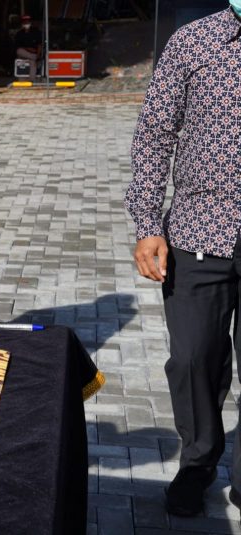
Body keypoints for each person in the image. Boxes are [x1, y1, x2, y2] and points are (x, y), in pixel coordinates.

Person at [126, 5, 241, 518]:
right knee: (193, 358)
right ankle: (197, 463)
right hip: (201, 226)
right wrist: (148, 223)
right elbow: (155, 133)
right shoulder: (193, 42)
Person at [15, 15, 42, 80]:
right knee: (19, 51)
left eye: (27, 22)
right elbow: (18, 47)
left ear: (30, 23)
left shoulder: (36, 32)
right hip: (25, 53)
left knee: (32, 62)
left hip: (33, 54)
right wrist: (28, 49)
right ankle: (34, 57)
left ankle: (31, 80)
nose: (26, 24)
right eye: (25, 23)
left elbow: (39, 45)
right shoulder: (19, 34)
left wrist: (38, 55)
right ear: (22, 24)